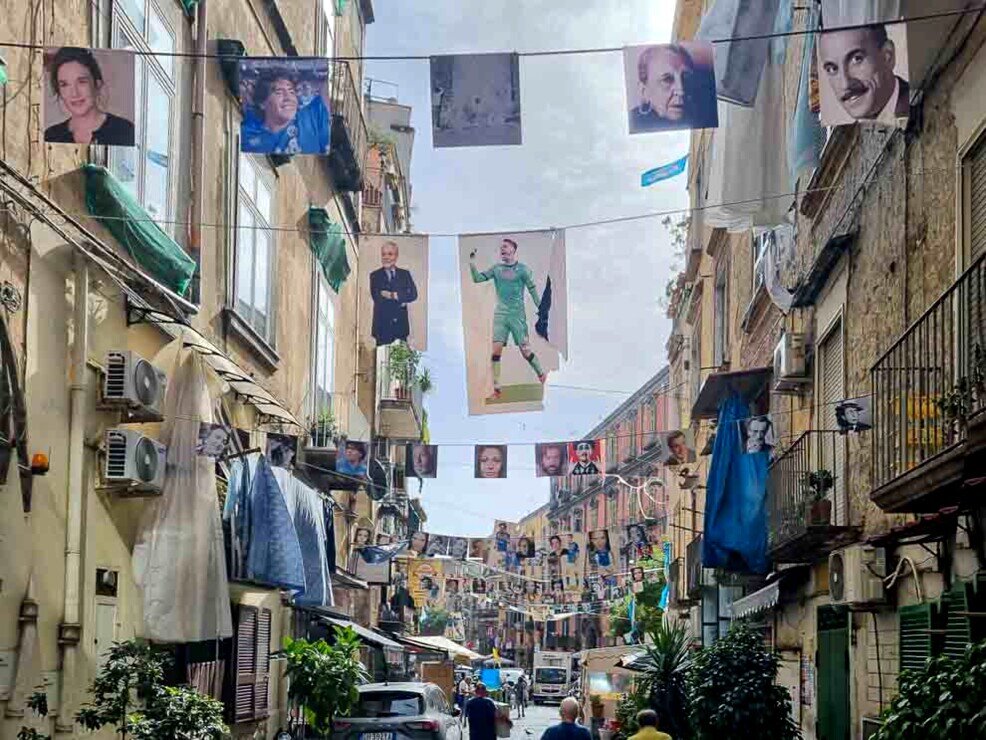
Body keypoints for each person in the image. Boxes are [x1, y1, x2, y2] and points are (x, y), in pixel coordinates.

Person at [470, 239, 547, 400]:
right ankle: (496, 388)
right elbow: (477, 278)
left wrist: (541, 308)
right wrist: (472, 263)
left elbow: (532, 290)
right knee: (496, 351)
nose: (502, 250)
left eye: (505, 247)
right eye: (501, 248)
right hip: (501, 316)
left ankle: (541, 374)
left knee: (525, 351)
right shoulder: (496, 269)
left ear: (513, 249)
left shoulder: (523, 270)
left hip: (517, 315)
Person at [818, 24, 909, 124]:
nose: (845, 84)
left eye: (857, 59)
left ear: (887, 56)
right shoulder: (847, 132)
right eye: (832, 69)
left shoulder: (920, 102)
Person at [45, 47, 136, 146]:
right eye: (64, 84)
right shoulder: (51, 135)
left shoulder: (125, 131)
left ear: (97, 84)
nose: (74, 93)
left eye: (82, 82)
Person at [241, 67, 330, 154]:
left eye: (292, 92)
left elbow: (326, 83)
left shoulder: (311, 116)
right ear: (263, 103)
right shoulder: (249, 134)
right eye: (279, 92)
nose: (288, 98)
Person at [629, 45, 700, 133]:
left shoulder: (701, 117)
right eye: (667, 79)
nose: (681, 91)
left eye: (686, 78)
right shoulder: (633, 123)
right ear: (644, 91)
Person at [370, 241, 419, 345]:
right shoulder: (375, 276)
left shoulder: (405, 274)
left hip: (401, 327)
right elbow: (377, 298)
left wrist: (393, 295)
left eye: (390, 254)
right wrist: (402, 300)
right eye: (383, 254)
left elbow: (413, 295)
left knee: (401, 357)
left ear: (396, 256)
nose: (386, 257)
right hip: (382, 327)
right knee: (380, 357)